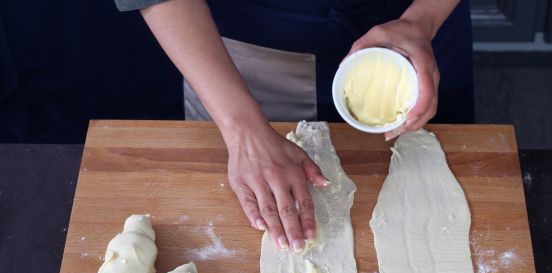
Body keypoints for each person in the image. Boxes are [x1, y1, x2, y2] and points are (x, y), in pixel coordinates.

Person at [115, 0, 474, 252]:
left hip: (418, 33)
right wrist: (243, 130)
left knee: (429, 200)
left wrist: (423, 18)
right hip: (252, 45)